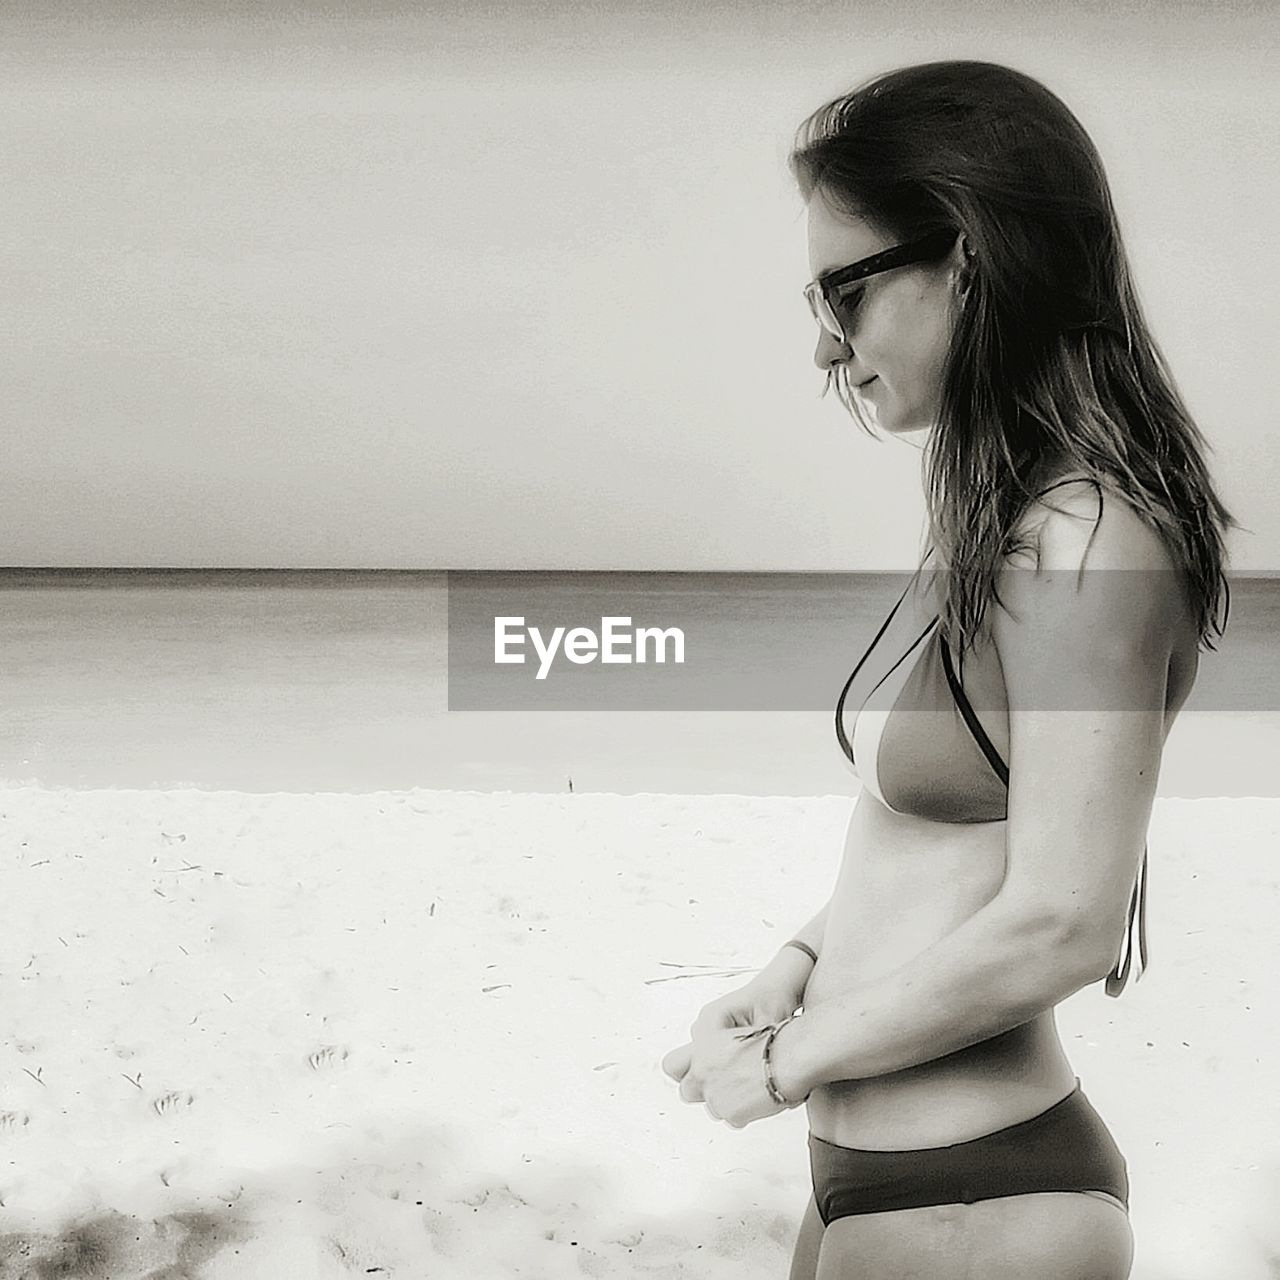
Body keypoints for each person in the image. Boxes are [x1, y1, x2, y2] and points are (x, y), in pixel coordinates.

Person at [660, 60, 1237, 1279]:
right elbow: (940, 850)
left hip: (980, 1203)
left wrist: (786, 1063)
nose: (825, 344)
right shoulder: (1022, 522)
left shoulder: (1087, 537)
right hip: (899, 1192)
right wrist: (792, 968)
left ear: (966, 256)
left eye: (846, 292)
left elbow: (1062, 920)